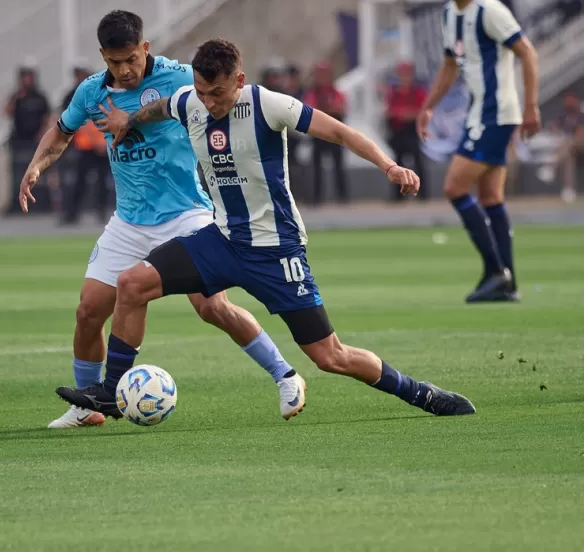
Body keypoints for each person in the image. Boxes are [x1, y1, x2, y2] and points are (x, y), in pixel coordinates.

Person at [58, 38, 475, 419]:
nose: (209, 102)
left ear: (238, 80)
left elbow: (341, 133)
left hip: (277, 252)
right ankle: (112, 391)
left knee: (330, 356)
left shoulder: (269, 105)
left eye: (217, 93)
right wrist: (128, 122)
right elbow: (160, 107)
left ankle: (422, 394)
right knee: (132, 284)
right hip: (221, 241)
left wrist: (389, 165)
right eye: (202, 92)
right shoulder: (190, 101)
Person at [19, 11, 304, 429]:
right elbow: (61, 132)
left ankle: (286, 375)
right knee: (88, 310)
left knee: (211, 307)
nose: (125, 69)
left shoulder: (180, 78)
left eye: (131, 59)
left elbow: (230, 98)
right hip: (129, 221)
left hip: (186, 213)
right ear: (103, 56)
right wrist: (35, 166)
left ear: (145, 48)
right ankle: (88, 407)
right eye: (115, 62)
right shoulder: (91, 92)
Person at [417, 0, 540, 303]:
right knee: (490, 198)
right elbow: (449, 66)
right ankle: (508, 281)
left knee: (454, 187)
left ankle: (496, 271)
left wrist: (531, 105)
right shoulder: (449, 14)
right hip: (479, 114)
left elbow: (527, 53)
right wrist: (428, 106)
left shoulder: (490, 11)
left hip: (497, 114)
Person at [61, 64, 112, 224]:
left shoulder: (101, 93)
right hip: (84, 145)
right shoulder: (72, 95)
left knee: (103, 182)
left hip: (101, 145)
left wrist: (104, 141)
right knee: (80, 181)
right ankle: (72, 213)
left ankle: (102, 211)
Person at [6, 64, 52, 214]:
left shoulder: (40, 97)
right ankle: (17, 204)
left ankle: (39, 204)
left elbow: (47, 117)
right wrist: (17, 97)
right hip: (19, 141)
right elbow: (7, 112)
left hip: (35, 141)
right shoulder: (16, 96)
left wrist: (43, 135)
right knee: (17, 175)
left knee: (36, 174)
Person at [303, 62, 348, 204]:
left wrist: (327, 109)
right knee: (316, 167)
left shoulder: (336, 93)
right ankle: (317, 197)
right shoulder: (313, 93)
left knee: (339, 166)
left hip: (334, 135)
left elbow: (340, 109)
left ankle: (342, 196)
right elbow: (308, 109)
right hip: (318, 134)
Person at [386, 61, 428, 201]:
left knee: (418, 162)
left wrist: (406, 114)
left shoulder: (417, 92)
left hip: (412, 132)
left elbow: (421, 112)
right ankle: (398, 196)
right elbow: (389, 112)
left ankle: (422, 194)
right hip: (398, 132)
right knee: (396, 164)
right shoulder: (394, 92)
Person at [551, 91, 584, 203]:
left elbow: (580, 134)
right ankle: (568, 190)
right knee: (569, 157)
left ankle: (551, 167)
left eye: (570, 99)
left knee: (569, 142)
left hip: (581, 144)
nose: (567, 102)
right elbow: (556, 129)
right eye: (566, 100)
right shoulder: (564, 115)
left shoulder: (581, 114)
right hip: (571, 148)